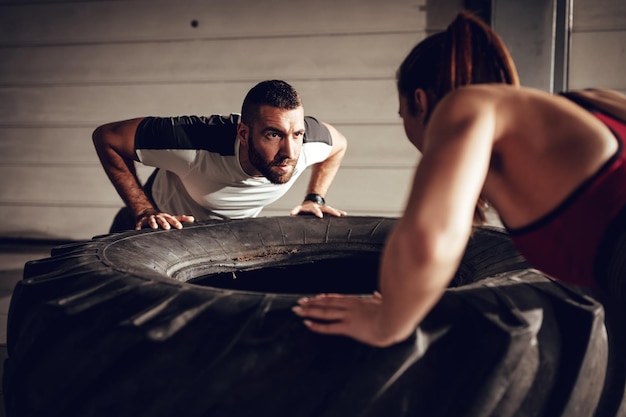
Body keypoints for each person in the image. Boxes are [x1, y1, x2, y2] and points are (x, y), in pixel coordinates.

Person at [292, 10, 626, 347]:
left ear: (420, 102)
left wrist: (387, 321)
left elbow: (430, 239)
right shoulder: (593, 102)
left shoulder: (463, 104)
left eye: (402, 115)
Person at [93, 79, 348, 232]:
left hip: (224, 235)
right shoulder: (194, 139)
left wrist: (314, 197)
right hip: (153, 225)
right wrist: (142, 209)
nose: (289, 153)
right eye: (273, 135)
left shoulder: (307, 142)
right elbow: (107, 137)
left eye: (296, 134)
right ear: (244, 133)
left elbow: (339, 145)